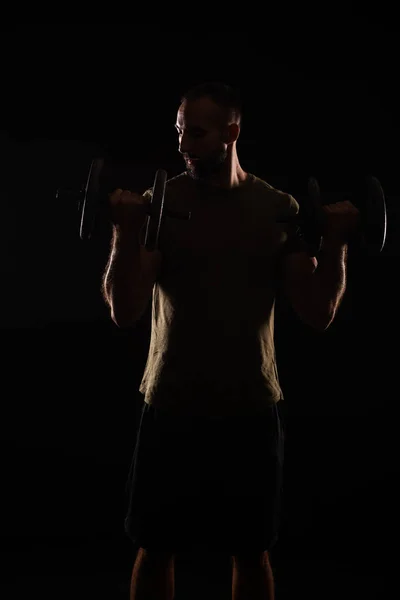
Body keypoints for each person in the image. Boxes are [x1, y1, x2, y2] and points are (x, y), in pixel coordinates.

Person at [102, 82, 359, 600]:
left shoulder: (276, 210)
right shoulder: (160, 206)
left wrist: (335, 243)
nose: (183, 145)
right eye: (179, 133)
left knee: (251, 551)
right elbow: (124, 310)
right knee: (154, 549)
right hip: (171, 404)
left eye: (195, 133)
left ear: (232, 133)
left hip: (250, 410)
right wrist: (124, 233)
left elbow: (318, 312)